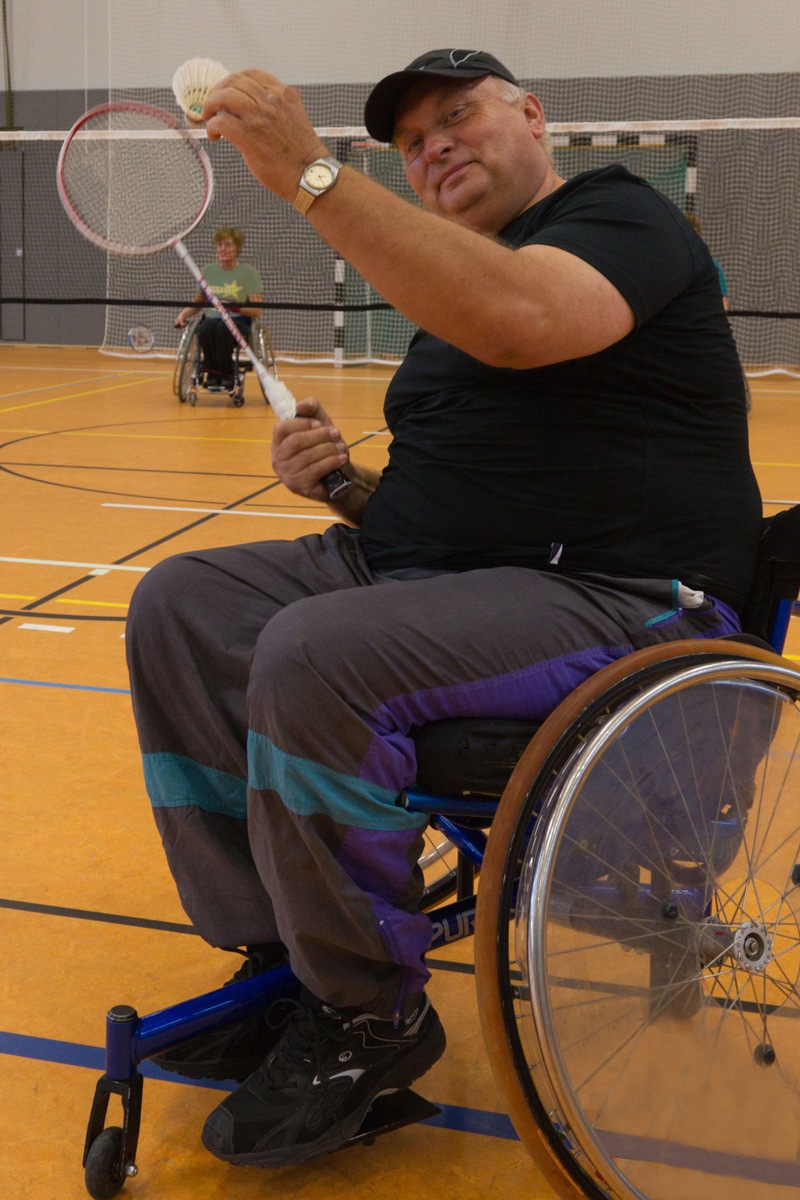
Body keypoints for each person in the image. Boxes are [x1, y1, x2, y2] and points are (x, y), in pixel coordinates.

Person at [126, 49, 762, 1169]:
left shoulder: (615, 216)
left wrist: (310, 173)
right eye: (412, 143)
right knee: (182, 603)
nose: (436, 146)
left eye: (457, 116)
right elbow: (458, 505)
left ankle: (365, 1012)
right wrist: (343, 489)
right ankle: (282, 952)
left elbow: (523, 322)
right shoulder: (455, 280)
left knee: (315, 657)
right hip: (453, 581)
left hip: (613, 596)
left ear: (531, 116)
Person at [175, 226, 263, 390]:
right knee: (206, 328)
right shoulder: (208, 271)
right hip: (212, 318)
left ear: (237, 249)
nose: (223, 249)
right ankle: (212, 374)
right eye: (220, 245)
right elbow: (197, 304)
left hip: (239, 320)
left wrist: (234, 308)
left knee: (223, 328)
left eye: (228, 245)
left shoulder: (249, 273)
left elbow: (257, 310)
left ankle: (228, 375)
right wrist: (182, 315)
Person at [685, 211, 752, 412]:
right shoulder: (672, 264)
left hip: (707, 323)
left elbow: (723, 300)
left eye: (694, 234)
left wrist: (713, 320)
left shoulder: (713, 265)